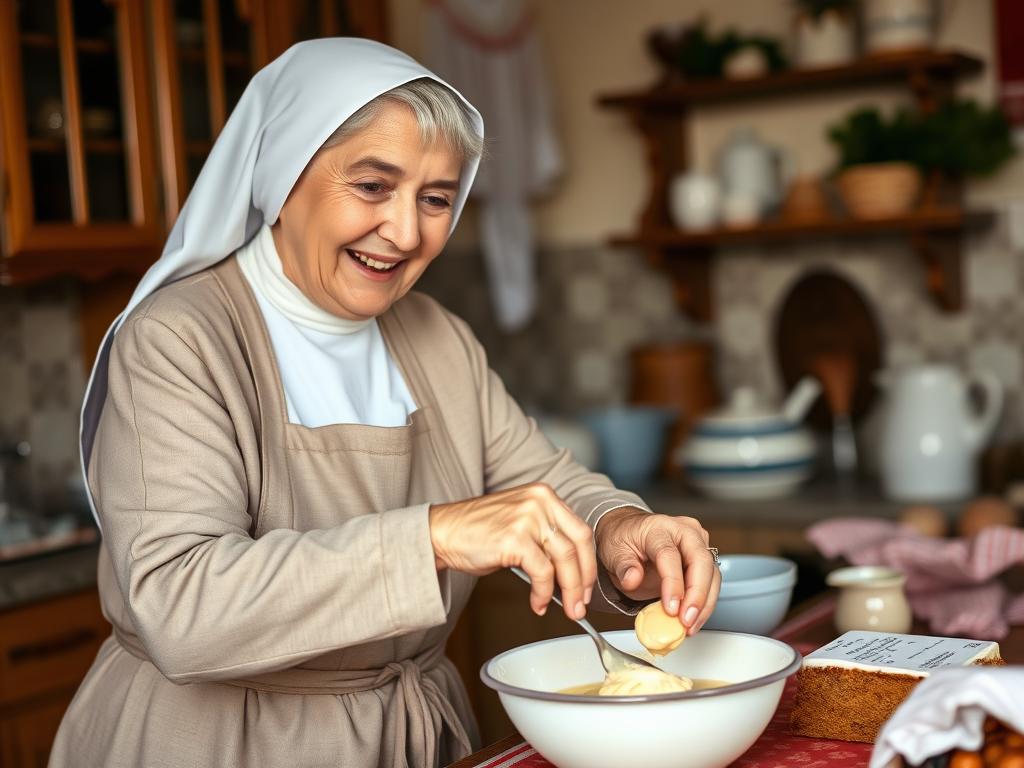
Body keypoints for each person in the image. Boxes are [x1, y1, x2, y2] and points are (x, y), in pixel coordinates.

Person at [50, 38, 721, 768]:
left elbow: (543, 484)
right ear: (283, 176)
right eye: (372, 187)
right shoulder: (181, 340)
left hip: (409, 739)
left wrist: (620, 529)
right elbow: (182, 607)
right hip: (218, 745)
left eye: (435, 198)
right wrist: (434, 536)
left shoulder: (436, 338)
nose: (405, 232)